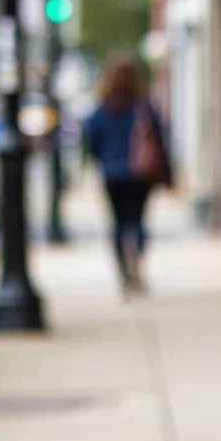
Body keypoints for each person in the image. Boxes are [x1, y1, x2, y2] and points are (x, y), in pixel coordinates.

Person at [84, 52, 169, 296]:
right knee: (138, 220)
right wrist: (166, 174)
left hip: (112, 173)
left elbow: (92, 139)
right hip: (140, 174)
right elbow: (160, 142)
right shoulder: (143, 107)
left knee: (118, 223)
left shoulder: (102, 108)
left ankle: (124, 269)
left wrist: (104, 160)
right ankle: (136, 260)